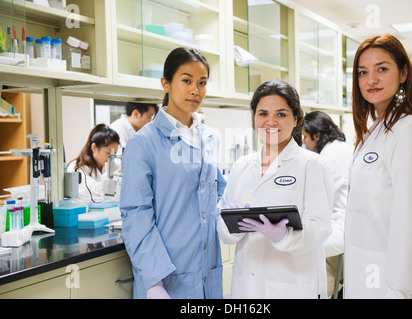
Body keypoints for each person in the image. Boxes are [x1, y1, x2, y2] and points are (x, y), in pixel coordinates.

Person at [345, 34, 412, 299]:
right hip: (368, 272)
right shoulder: (375, 133)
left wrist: (397, 290)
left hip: (394, 284)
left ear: (403, 73)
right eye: (362, 72)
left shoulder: (409, 130)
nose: (371, 80)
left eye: (382, 69)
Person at [120, 47, 226, 299]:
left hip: (207, 271)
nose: (195, 90)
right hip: (166, 277)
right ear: (166, 84)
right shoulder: (143, 143)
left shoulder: (210, 137)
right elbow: (136, 215)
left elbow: (218, 192)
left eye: (202, 83)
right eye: (186, 80)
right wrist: (154, 281)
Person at [217, 80, 333, 299]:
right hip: (247, 287)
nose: (271, 122)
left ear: (296, 119)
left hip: (293, 284)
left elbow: (321, 227)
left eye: (281, 114)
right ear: (253, 117)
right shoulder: (241, 167)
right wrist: (231, 224)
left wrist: (283, 237)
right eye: (263, 114)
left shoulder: (312, 165)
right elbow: (223, 230)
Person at [303, 110, 353, 297]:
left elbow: (317, 195)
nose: (304, 143)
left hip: (342, 225)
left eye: (305, 137)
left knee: (301, 246)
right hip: (342, 222)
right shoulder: (339, 149)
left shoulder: (332, 156)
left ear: (316, 136)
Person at [67, 124, 120, 201]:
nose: (111, 158)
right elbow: (96, 191)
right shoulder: (76, 167)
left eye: (114, 153)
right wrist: (116, 177)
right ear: (94, 147)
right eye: (108, 153)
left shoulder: (113, 165)